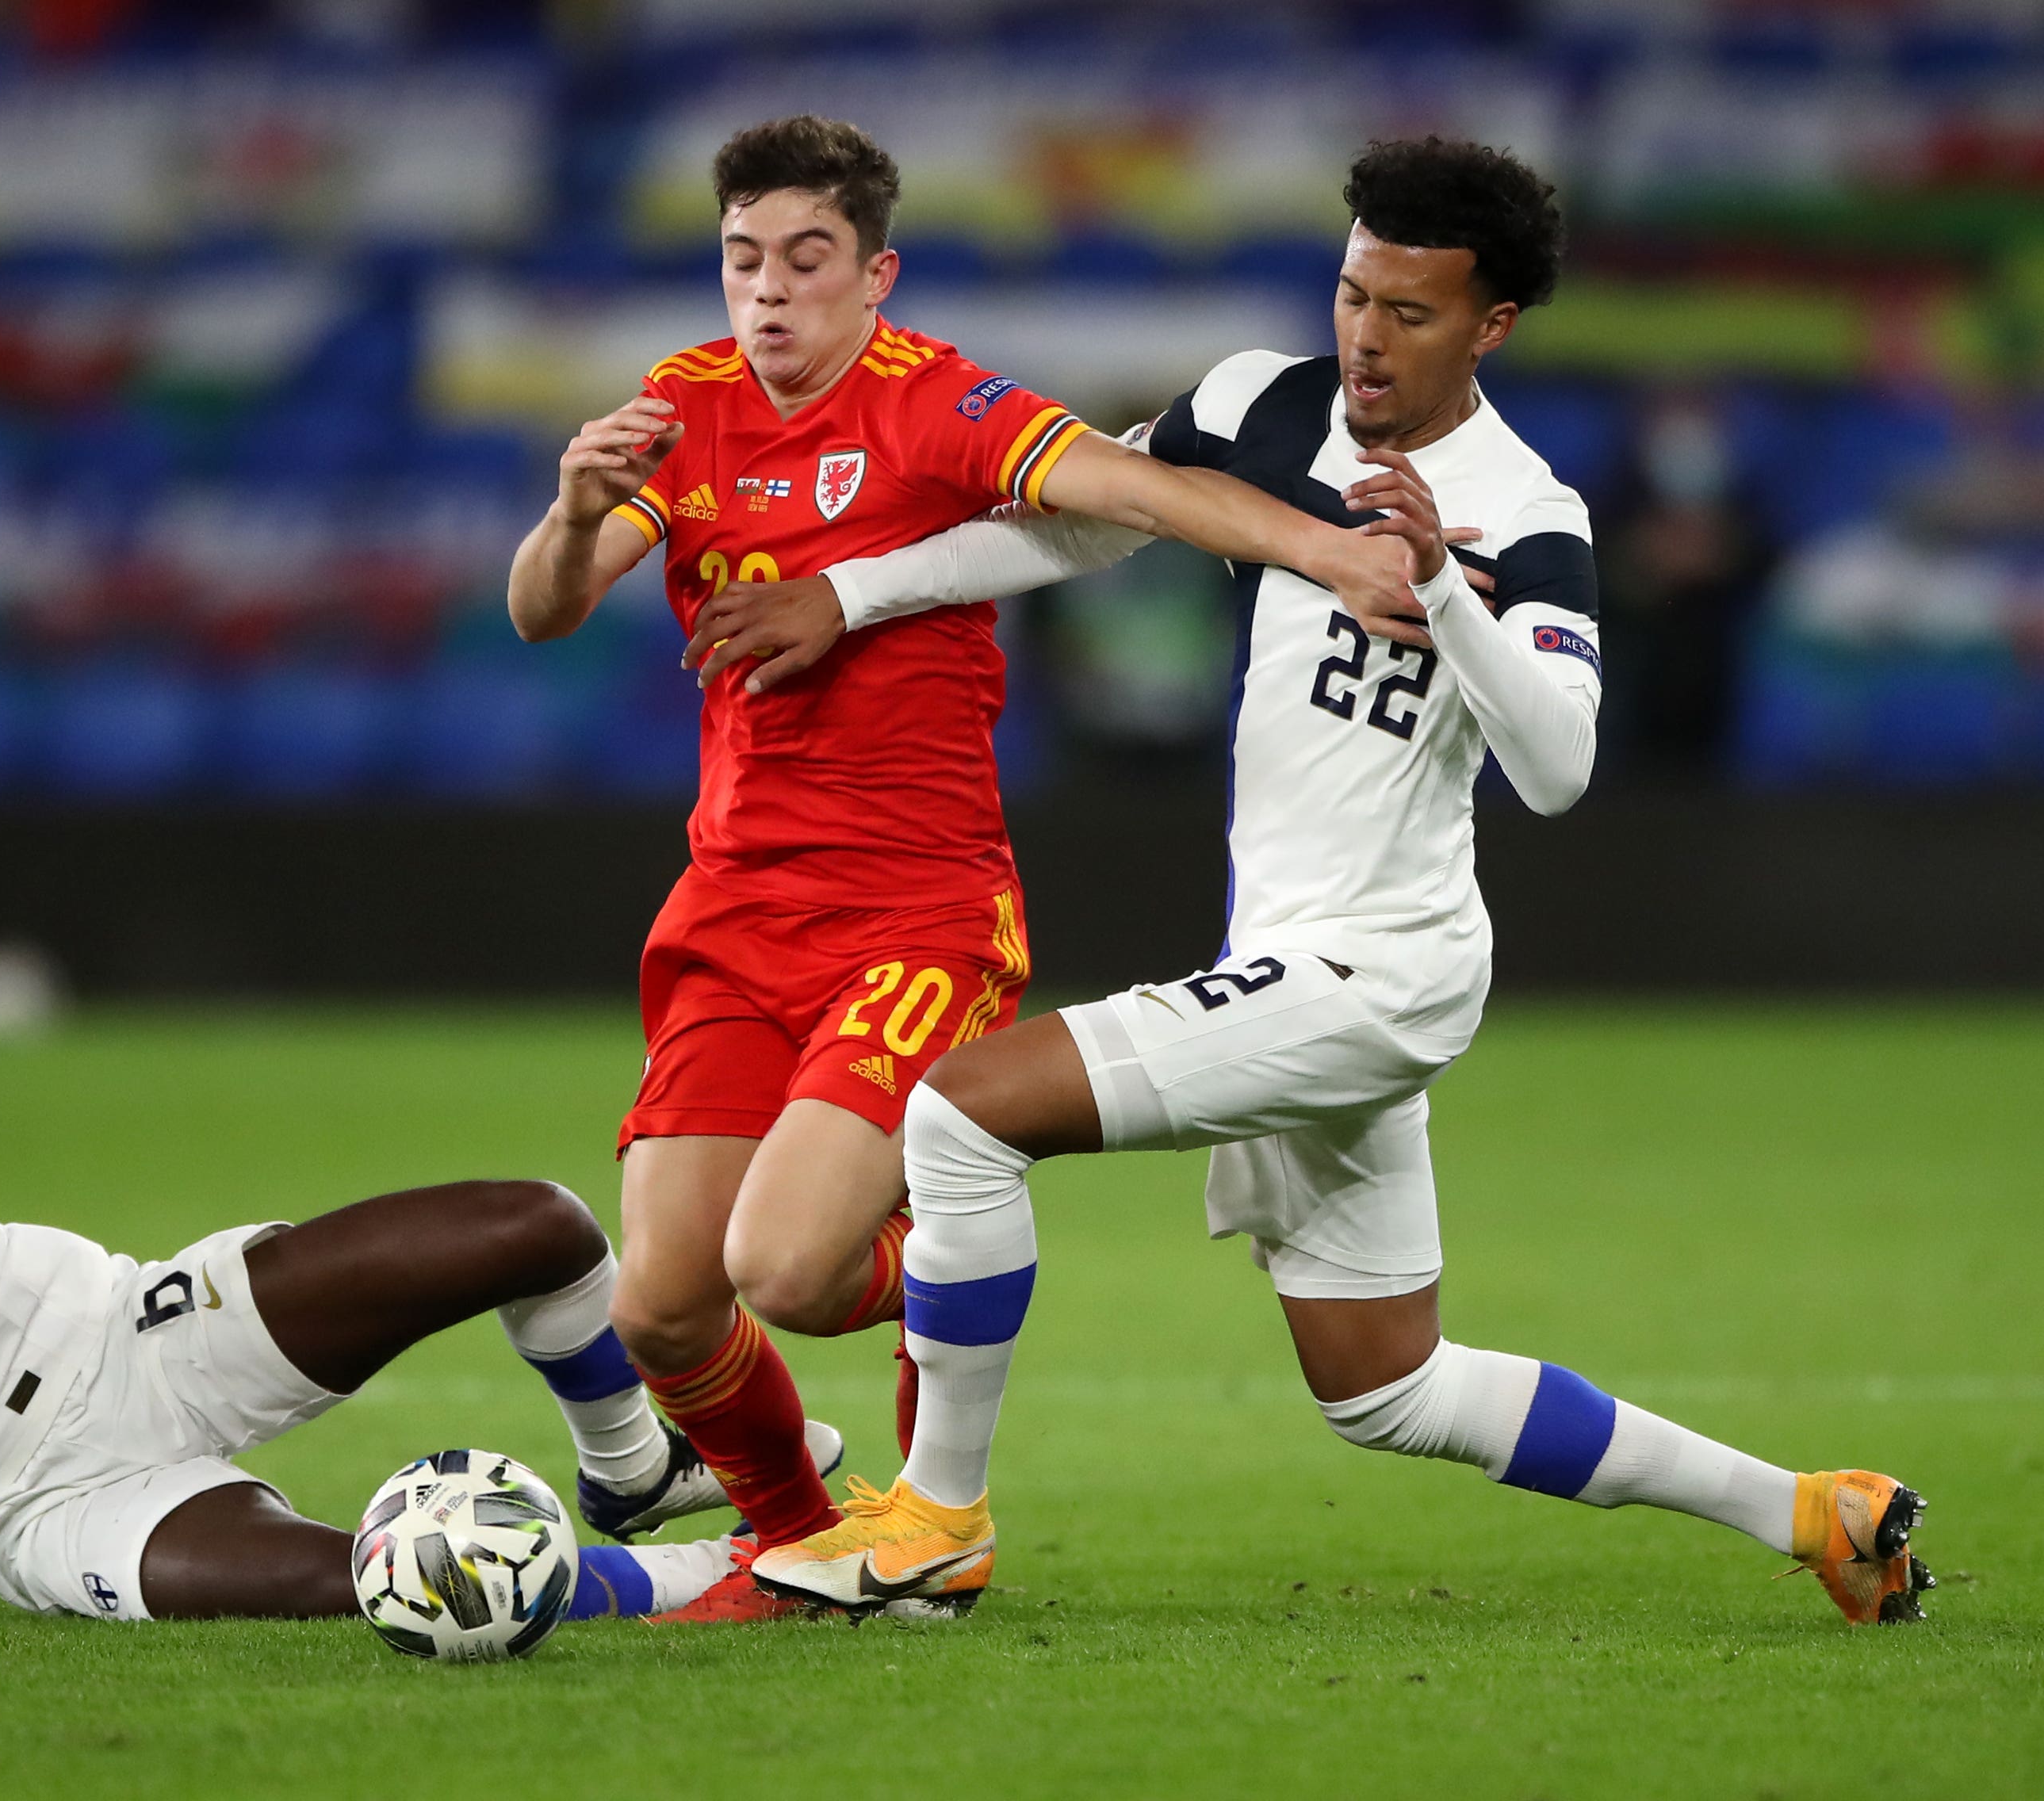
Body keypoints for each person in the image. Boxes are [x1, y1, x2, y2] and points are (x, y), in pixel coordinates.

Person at [744, 138, 1931, 1627]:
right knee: (1388, 1389)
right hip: (1298, 953)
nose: (1367, 335)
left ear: (1490, 326)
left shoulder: (1530, 512)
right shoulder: (1259, 400)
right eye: (1354, 291)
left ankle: (938, 1521)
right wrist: (847, 592)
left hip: (1383, 968)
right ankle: (1819, 1512)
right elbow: (1083, 522)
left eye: (1411, 312)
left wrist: (1440, 583)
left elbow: (1559, 767)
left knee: (959, 1114)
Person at [505, 116, 1418, 1615]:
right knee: (663, 1307)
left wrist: (1328, 554)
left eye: (808, 260)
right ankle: (793, 1541)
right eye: (743, 261)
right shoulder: (687, 406)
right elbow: (547, 609)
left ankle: (948, 1234)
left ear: (877, 276)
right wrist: (575, 511)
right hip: (733, 913)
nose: (770, 293)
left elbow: (1134, 493)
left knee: (788, 1272)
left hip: (914, 915)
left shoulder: (936, 403)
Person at [0, 902, 745, 1631]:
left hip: (122, 1333)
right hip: (36, 1508)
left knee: (536, 1225)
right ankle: (713, 1575)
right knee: (394, 1584)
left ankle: (631, 1470)